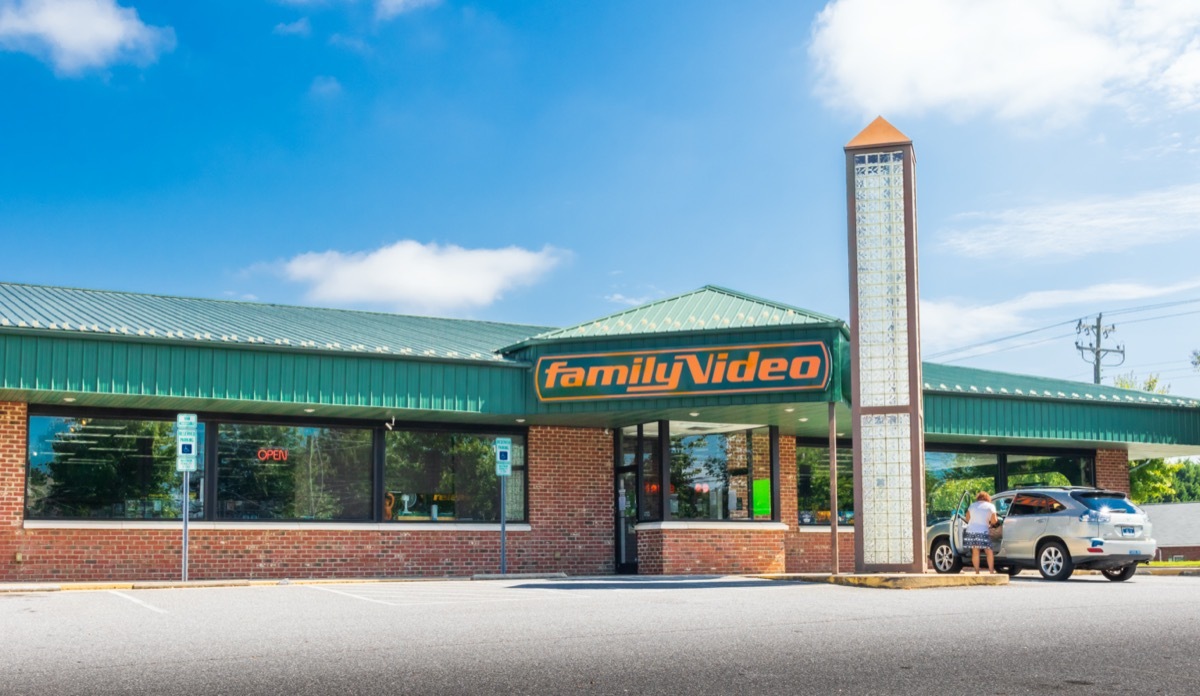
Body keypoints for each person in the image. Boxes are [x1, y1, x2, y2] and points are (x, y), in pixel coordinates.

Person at [963, 491, 999, 574]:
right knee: (988, 551)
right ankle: (991, 571)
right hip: (983, 531)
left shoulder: (972, 505)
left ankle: (977, 572)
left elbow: (967, 518)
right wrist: (990, 523)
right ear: (988, 498)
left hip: (971, 531)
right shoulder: (991, 506)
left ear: (978, 498)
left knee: (975, 551)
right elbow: (994, 520)